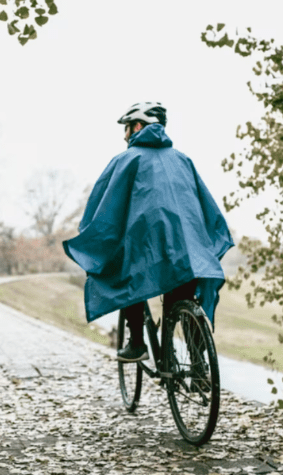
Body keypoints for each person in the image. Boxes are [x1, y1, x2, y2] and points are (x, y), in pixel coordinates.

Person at [63, 102, 234, 362]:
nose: (125, 135)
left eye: (127, 128)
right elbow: (206, 206)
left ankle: (137, 344)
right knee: (182, 295)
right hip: (188, 249)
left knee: (125, 277)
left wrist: (92, 238)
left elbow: (104, 208)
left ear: (139, 126)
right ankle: (198, 364)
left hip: (145, 250)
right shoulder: (183, 160)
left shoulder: (126, 159)